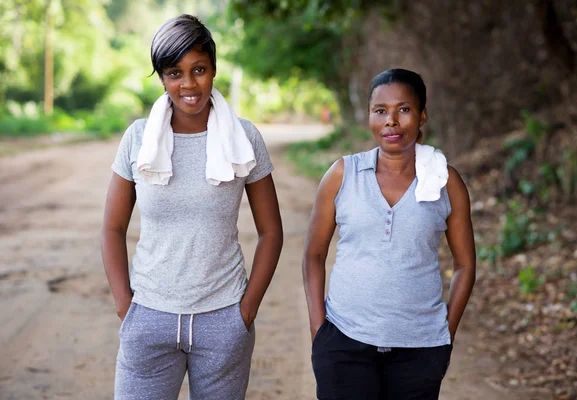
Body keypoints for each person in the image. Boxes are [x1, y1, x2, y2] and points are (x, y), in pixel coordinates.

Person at [101, 14, 283, 400]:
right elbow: (112, 228)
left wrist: (245, 312)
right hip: (149, 318)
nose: (188, 84)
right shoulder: (138, 138)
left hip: (224, 319)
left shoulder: (244, 137)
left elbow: (271, 232)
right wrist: (125, 307)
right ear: (162, 77)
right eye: (174, 72)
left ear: (213, 69)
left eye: (198, 69)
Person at [303, 68, 476, 400]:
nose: (391, 121)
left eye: (404, 109)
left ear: (422, 115)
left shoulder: (444, 181)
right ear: (369, 115)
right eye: (380, 110)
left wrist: (446, 332)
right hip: (344, 343)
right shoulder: (343, 174)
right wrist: (319, 329)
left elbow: (465, 264)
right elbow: (313, 254)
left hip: (420, 350)